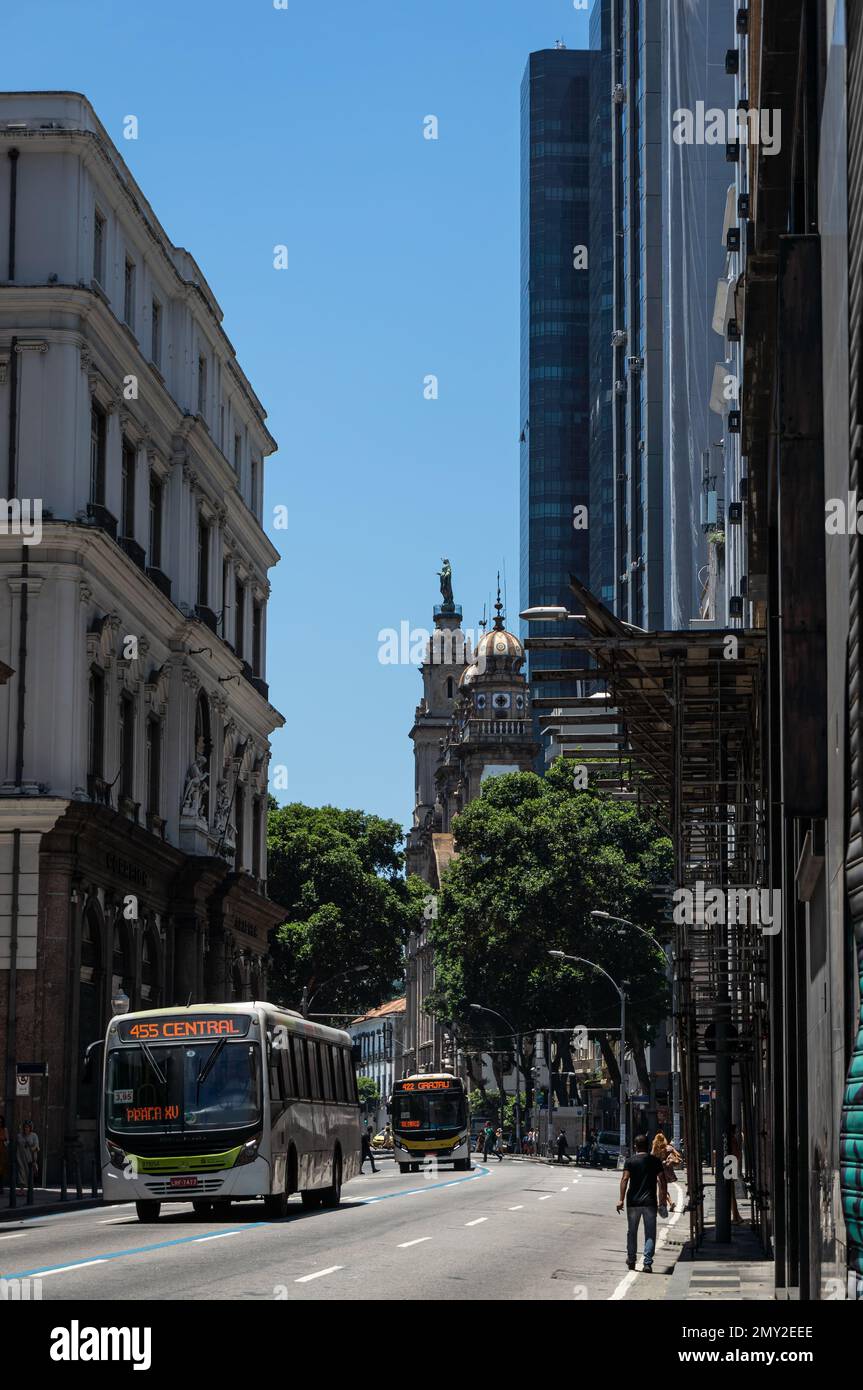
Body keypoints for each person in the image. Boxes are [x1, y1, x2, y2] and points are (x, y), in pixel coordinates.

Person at [617, 1132, 668, 1272]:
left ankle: (631, 1260)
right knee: (650, 1233)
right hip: (650, 1202)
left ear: (635, 1146)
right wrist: (663, 1199)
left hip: (633, 1202)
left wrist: (621, 1200)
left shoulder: (630, 1161)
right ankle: (647, 1263)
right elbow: (663, 1181)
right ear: (647, 1146)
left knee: (632, 1232)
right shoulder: (655, 1161)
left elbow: (625, 1179)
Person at [16, 1120, 39, 1196]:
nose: (26, 1129)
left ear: (30, 1128)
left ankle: (30, 1189)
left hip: (30, 1157)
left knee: (29, 1173)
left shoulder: (34, 1135)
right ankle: (21, 1190)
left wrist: (32, 1147)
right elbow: (18, 1143)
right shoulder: (19, 1135)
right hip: (21, 1157)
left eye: (28, 1127)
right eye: (25, 1127)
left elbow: (36, 1146)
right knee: (21, 1172)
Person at [728, 1124, 744, 1225]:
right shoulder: (733, 1139)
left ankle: (736, 1216)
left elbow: (737, 1154)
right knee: (730, 1192)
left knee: (731, 1192)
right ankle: (736, 1216)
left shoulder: (731, 1140)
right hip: (731, 1165)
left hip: (730, 1166)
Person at [0, 1114, 7, 1193]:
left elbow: (7, 1141)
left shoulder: (4, 1130)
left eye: (1, 1122)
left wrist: (3, 1139)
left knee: (1, 1171)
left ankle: (1, 1188)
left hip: (2, 1152)